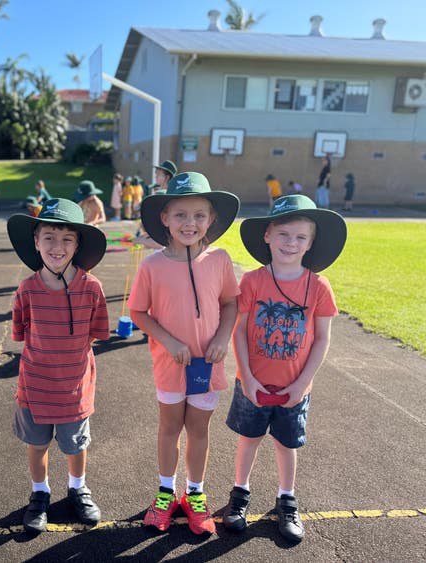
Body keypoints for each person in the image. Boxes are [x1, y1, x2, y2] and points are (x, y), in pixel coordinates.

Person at [223, 194, 347, 543]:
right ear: (267, 236)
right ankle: (239, 494)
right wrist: (246, 377)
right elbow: (241, 331)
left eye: (300, 237)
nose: (291, 243)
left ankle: (286, 499)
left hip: (294, 386)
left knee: (286, 445)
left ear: (310, 244)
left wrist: (302, 384)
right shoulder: (251, 281)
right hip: (252, 383)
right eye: (283, 234)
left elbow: (321, 339)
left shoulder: (319, 286)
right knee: (249, 440)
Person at [128, 172, 240, 536]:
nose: (189, 223)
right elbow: (138, 313)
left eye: (199, 215)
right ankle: (165, 493)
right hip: (170, 364)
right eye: (180, 215)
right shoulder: (152, 265)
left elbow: (230, 303)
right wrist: (170, 342)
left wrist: (223, 337)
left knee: (198, 430)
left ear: (211, 219)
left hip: (208, 365)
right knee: (169, 428)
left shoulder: (219, 259)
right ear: (164, 218)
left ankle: (195, 495)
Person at [6, 198, 109, 534]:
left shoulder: (92, 289)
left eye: (67, 238)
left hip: (75, 389)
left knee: (75, 446)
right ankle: (40, 493)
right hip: (34, 388)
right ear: (36, 242)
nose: (57, 246)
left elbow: (95, 335)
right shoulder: (26, 290)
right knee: (37, 446)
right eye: (48, 236)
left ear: (78, 244)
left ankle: (78, 487)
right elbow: (22, 334)